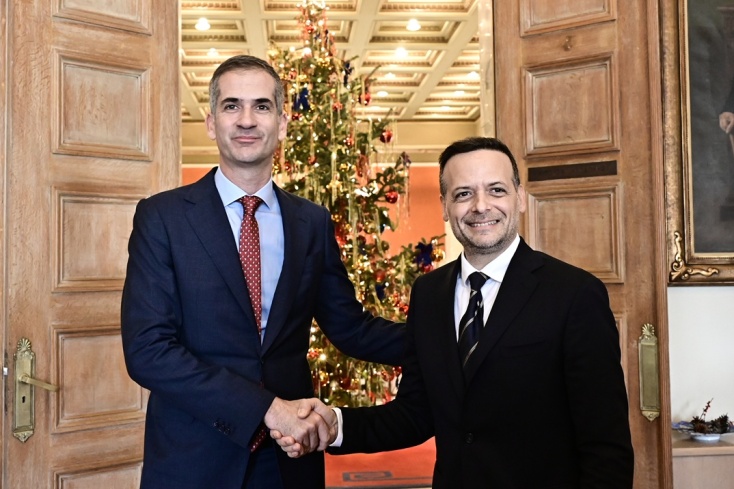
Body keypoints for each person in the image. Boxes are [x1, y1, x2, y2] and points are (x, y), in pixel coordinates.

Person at [277, 136, 635, 488]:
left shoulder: (574, 294)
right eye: (463, 194)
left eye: (496, 190)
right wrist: (335, 425)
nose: (481, 206)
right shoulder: (429, 294)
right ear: (445, 207)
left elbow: (606, 448)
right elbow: (415, 414)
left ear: (520, 197)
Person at [120, 54, 405, 489]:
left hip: (290, 460)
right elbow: (148, 350)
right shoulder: (163, 218)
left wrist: (450, 337)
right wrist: (268, 409)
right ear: (211, 123)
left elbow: (351, 328)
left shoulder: (311, 222)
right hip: (193, 458)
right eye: (232, 105)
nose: (247, 120)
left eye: (262, 106)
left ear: (282, 123)